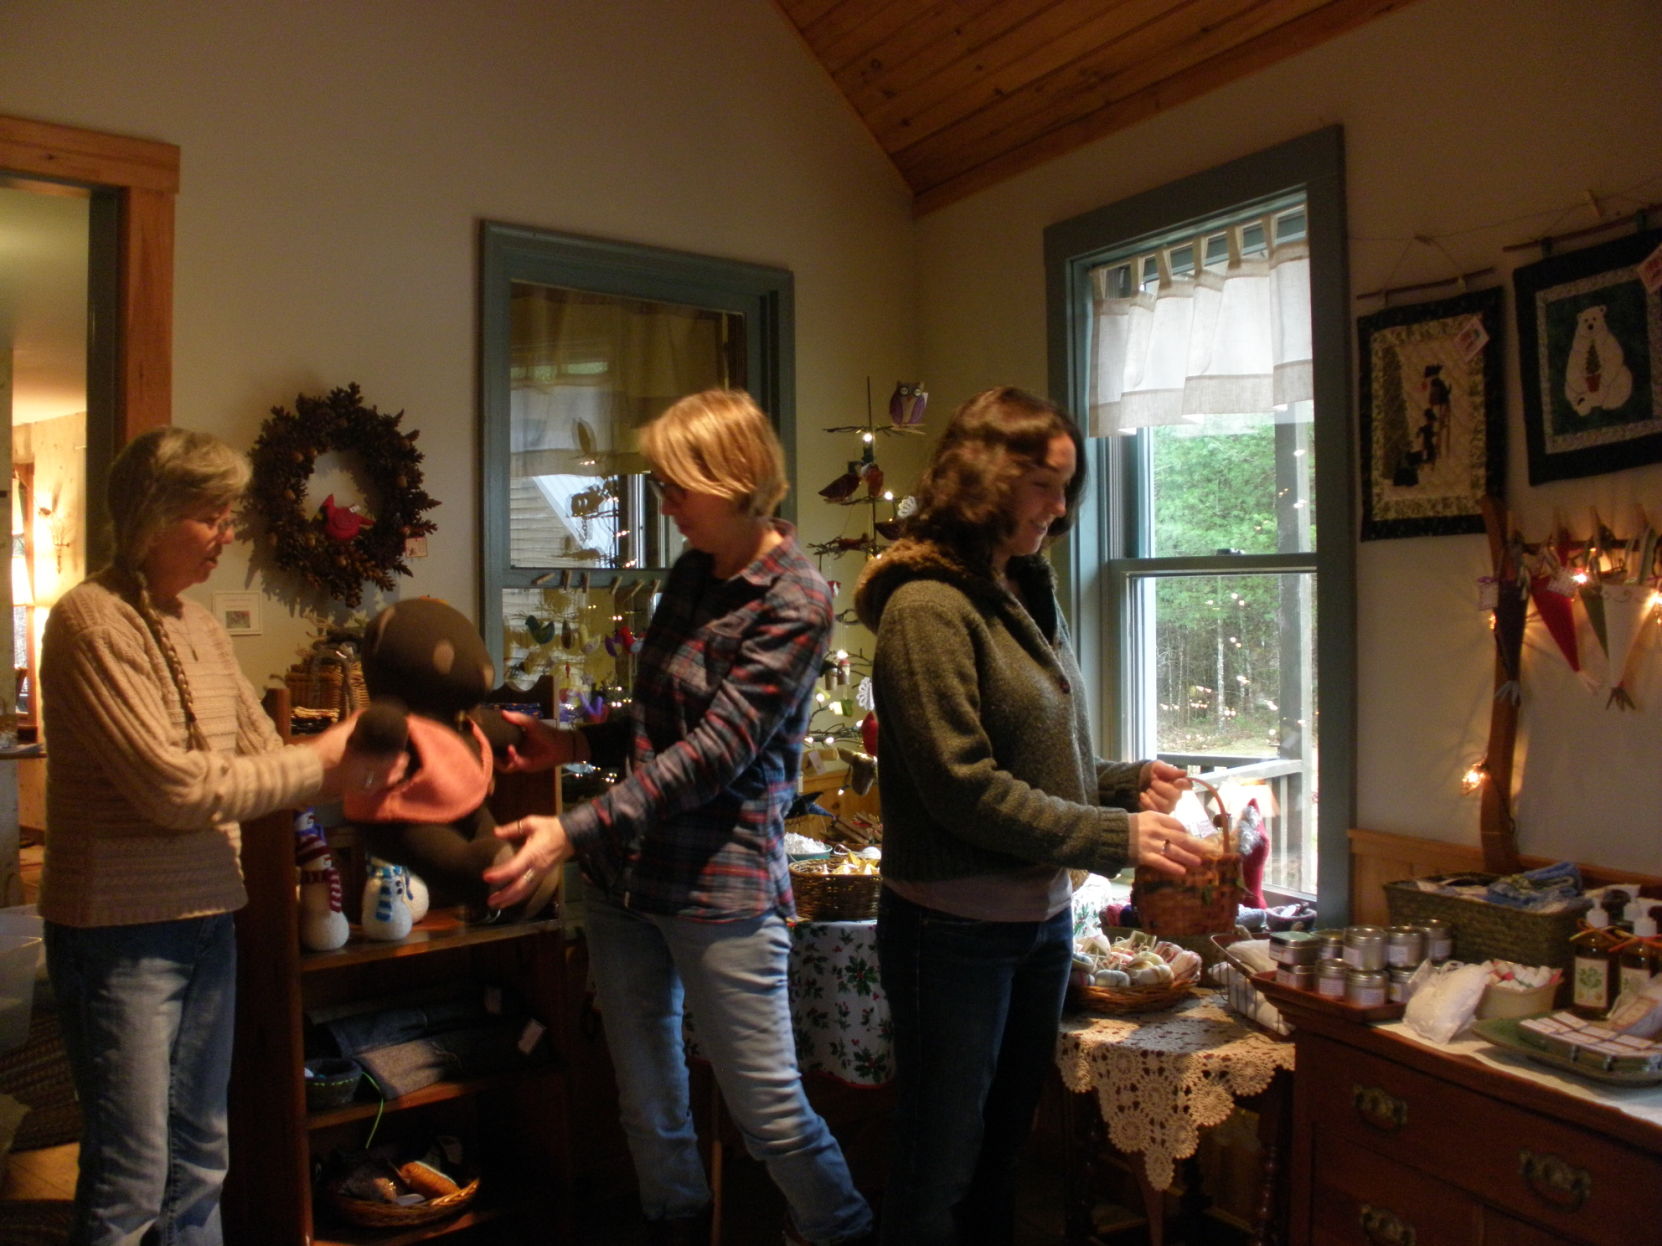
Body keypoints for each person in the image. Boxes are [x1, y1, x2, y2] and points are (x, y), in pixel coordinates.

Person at [485, 389, 874, 1246]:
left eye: (674, 486)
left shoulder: (798, 599)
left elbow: (714, 754)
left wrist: (569, 830)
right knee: (648, 1104)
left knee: (769, 1112)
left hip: (720, 890)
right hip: (627, 879)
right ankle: (674, 1224)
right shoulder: (694, 570)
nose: (662, 503)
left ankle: (841, 1228)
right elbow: (661, 719)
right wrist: (572, 741)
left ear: (734, 478)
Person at [852, 386, 1212, 1246]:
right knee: (939, 1164)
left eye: (1066, 487)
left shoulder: (1021, 588)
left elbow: (1041, 763)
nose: (1060, 508)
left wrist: (1124, 784)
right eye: (1044, 485)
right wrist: (1114, 834)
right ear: (984, 478)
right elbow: (963, 787)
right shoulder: (925, 608)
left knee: (1002, 1155)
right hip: (950, 935)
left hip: (1039, 924)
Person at [38, 427, 388, 1245]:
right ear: (151, 517)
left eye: (229, 515)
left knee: (200, 1159)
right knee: (130, 1178)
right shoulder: (91, 623)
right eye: (210, 516)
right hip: (117, 935)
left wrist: (359, 758)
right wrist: (323, 764)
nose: (226, 534)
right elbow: (176, 791)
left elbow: (265, 761)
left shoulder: (197, 626)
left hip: (208, 924)